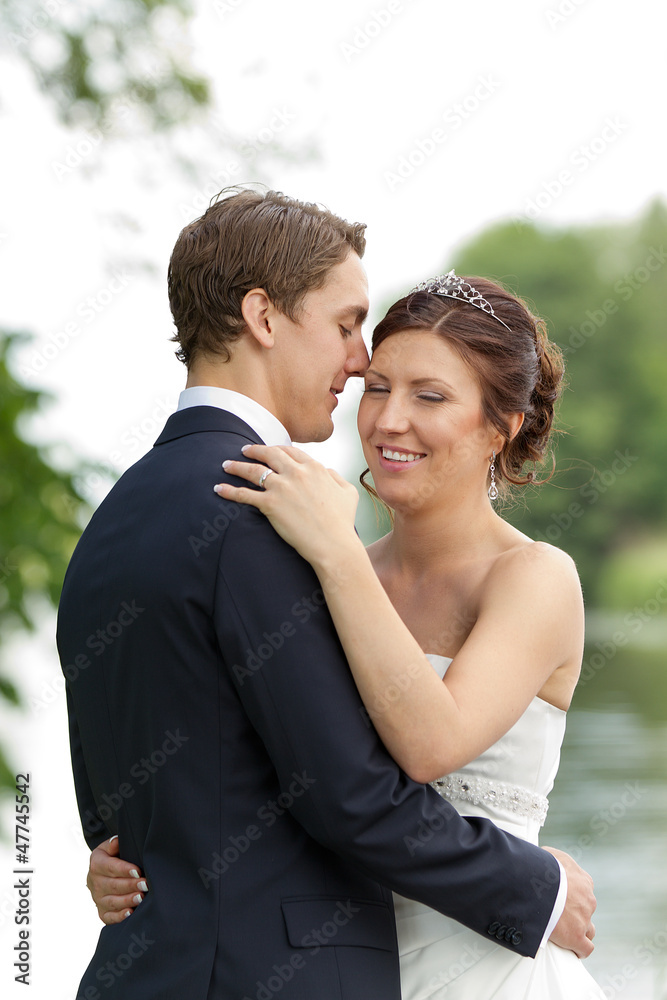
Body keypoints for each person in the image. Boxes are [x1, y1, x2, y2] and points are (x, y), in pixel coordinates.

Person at [62, 189, 595, 1000]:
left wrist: (125, 840)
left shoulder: (119, 513)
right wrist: (535, 886)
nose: (366, 390)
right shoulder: (264, 517)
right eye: (355, 340)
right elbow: (348, 793)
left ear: (504, 425)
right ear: (265, 318)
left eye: (429, 395)